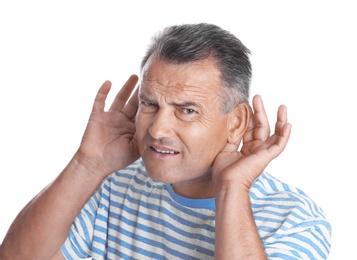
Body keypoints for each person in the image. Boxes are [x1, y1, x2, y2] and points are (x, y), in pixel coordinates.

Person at [0, 23, 331, 260]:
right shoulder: (112, 188)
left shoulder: (296, 218)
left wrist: (232, 189)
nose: (157, 129)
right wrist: (88, 165)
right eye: (150, 104)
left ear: (237, 122)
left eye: (186, 110)